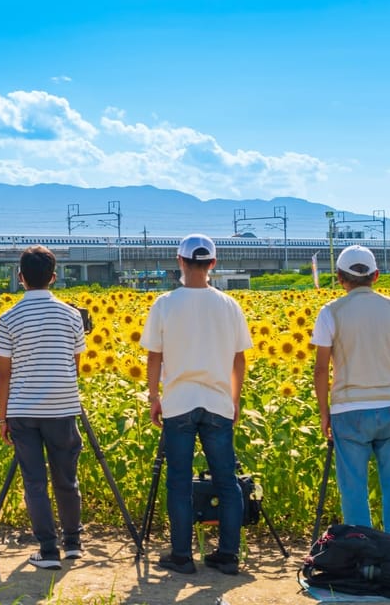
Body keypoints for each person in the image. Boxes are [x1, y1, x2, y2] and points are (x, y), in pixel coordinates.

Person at [142, 234, 251, 575]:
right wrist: (234, 399)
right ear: (213, 264)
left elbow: (154, 357)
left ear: (180, 261)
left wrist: (154, 397)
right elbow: (239, 360)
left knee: (178, 481)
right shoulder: (229, 305)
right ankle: (228, 556)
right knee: (226, 481)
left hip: (179, 403)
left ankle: (182, 556)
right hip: (218, 402)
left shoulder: (165, 304)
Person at [0, 246, 87, 569]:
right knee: (66, 477)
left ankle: (48, 550)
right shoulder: (72, 316)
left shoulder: (8, 319)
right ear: (54, 278)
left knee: (34, 481)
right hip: (62, 408)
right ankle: (73, 542)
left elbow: (3, 373)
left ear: (20, 278)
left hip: (22, 411)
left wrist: (1, 417)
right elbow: (74, 365)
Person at [312, 244, 390, 529]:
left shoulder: (330, 312)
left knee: (354, 489)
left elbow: (321, 369)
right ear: (376, 275)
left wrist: (324, 413)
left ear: (339, 277)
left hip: (349, 410)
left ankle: (364, 559)